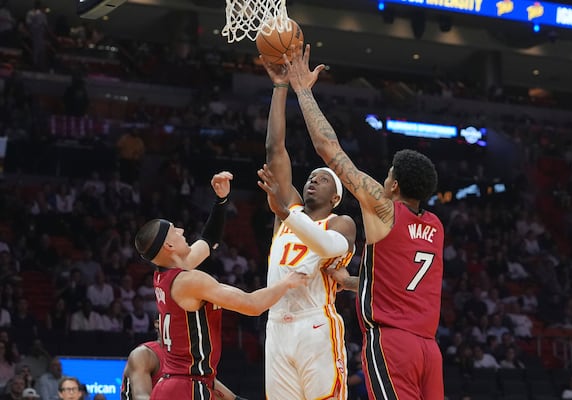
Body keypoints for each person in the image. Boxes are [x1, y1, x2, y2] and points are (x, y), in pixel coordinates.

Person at [284, 44, 444, 400]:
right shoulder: (435, 226)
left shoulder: (386, 210)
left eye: (387, 175)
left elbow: (329, 148)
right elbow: (402, 284)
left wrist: (304, 90)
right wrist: (353, 282)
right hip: (429, 350)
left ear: (394, 185)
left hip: (393, 344)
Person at [134, 171, 308, 400]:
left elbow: (208, 240)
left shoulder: (167, 275)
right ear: (168, 245)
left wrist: (221, 200)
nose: (182, 231)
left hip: (179, 384)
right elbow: (251, 305)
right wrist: (287, 283)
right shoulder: (190, 281)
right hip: (186, 387)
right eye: (175, 230)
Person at [256, 59, 357, 400]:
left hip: (314, 323)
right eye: (311, 177)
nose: (313, 179)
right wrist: (279, 87)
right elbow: (275, 150)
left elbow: (330, 247)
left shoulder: (340, 222)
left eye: (323, 179)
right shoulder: (288, 212)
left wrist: (285, 212)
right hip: (276, 324)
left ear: (336, 196)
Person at [120, 337, 246, 400]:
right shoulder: (144, 354)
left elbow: (209, 384)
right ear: (158, 323)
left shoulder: (185, 356)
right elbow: (141, 396)